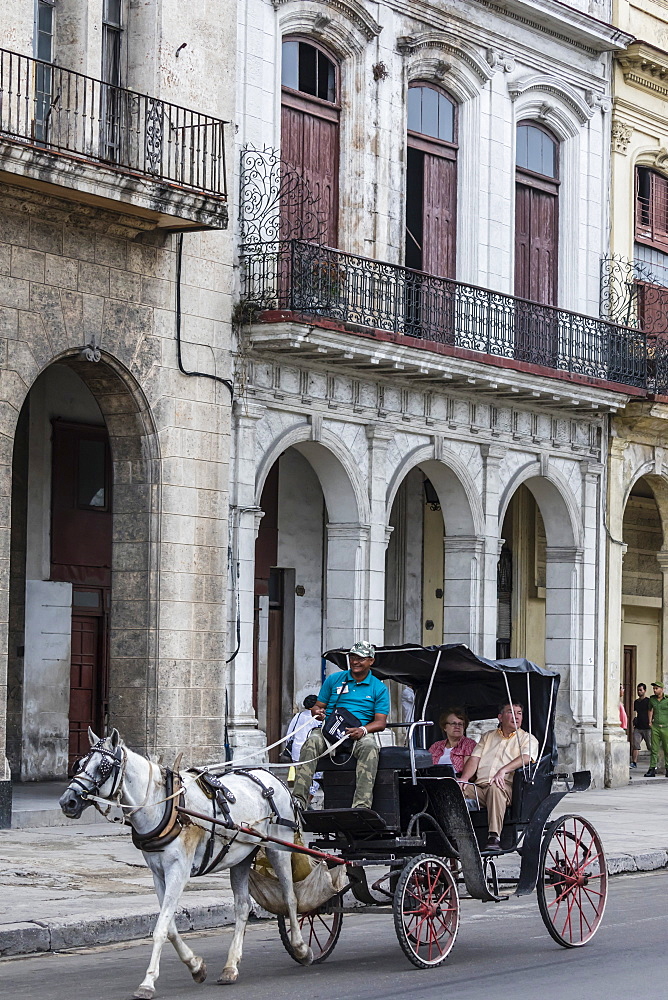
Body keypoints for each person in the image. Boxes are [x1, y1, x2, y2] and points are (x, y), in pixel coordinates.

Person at [292, 641, 389, 811]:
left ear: (371, 661)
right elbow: (318, 706)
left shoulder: (379, 688)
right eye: (352, 657)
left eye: (360, 658)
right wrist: (318, 712)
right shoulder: (334, 679)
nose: (355, 661)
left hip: (359, 732)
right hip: (330, 730)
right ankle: (299, 800)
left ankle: (361, 806)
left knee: (370, 747)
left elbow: (380, 722)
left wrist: (363, 730)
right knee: (311, 742)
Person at [458, 701, 539, 853]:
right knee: (453, 789)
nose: (516, 717)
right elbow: (474, 758)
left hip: (505, 788)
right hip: (480, 787)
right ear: (500, 717)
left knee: (495, 788)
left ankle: (494, 836)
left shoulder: (527, 739)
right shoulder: (488, 736)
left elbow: (527, 757)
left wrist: (503, 770)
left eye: (519, 713)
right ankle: (452, 833)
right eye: (511, 712)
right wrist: (464, 778)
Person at [428, 708, 477, 775]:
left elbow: (470, 774)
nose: (457, 727)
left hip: (457, 781)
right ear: (445, 727)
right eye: (453, 724)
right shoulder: (436, 746)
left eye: (460, 724)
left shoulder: (469, 744)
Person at [285, 694, 321, 763]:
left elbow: (289, 734)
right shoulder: (319, 718)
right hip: (313, 752)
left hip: (297, 751)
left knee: (298, 772)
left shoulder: (298, 716)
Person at [645, 680, 668, 777]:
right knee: (654, 749)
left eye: (656, 688)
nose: (654, 690)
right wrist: (650, 721)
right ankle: (652, 769)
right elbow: (650, 710)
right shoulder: (652, 699)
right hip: (655, 727)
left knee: (667, 748)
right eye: (654, 688)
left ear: (662, 689)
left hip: (666, 727)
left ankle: (667, 768)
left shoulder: (667, 700)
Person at [631, 683, 651, 769]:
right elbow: (635, 712)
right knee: (636, 745)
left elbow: (651, 712)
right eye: (638, 690)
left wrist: (651, 722)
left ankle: (654, 763)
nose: (639, 692)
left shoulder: (648, 701)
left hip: (647, 727)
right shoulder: (636, 702)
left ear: (645, 691)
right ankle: (634, 762)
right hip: (638, 727)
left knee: (650, 746)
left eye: (641, 690)